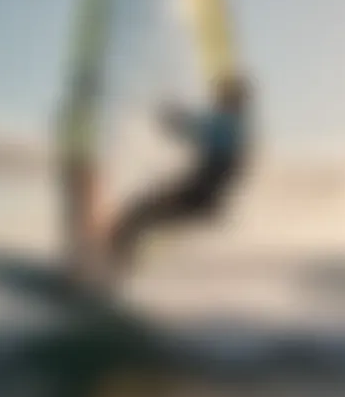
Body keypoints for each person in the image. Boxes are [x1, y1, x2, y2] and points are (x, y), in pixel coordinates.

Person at [105, 75, 251, 273]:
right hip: (205, 197)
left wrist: (172, 117)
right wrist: (175, 118)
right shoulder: (237, 125)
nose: (218, 98)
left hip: (199, 195)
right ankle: (118, 264)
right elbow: (199, 129)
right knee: (143, 215)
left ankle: (112, 268)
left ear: (232, 99)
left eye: (223, 94)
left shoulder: (228, 124)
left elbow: (198, 129)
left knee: (140, 213)